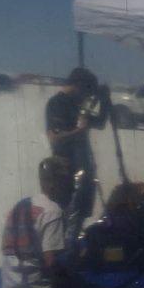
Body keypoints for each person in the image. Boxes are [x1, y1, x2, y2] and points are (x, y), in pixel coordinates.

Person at [45, 67, 111, 239]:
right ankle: (63, 248)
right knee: (64, 215)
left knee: (80, 213)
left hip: (83, 168)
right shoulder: (56, 104)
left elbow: (100, 123)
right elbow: (55, 138)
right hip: (64, 169)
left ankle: (73, 243)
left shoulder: (77, 105)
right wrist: (78, 130)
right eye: (86, 92)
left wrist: (104, 101)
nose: (86, 98)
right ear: (78, 86)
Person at [0, 156, 73, 288]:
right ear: (56, 184)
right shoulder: (53, 211)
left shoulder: (20, 206)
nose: (72, 189)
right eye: (68, 184)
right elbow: (50, 261)